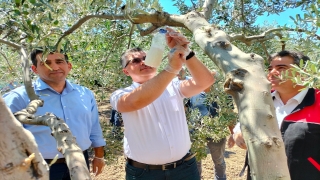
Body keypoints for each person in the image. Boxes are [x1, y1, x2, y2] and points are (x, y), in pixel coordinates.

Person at [110, 28, 215, 180]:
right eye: (136, 61)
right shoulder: (119, 95)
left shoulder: (174, 85)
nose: (143, 62)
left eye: (146, 57)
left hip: (185, 168)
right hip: (144, 174)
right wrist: (172, 69)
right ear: (126, 71)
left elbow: (206, 81)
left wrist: (186, 52)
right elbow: (135, 102)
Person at [3, 48, 106, 180]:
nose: (54, 67)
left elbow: (94, 128)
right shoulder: (18, 97)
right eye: (46, 63)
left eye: (59, 61)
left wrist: (99, 156)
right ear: (34, 69)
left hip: (81, 161)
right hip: (40, 166)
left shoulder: (85, 94)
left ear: (69, 66)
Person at [232, 50, 320, 180]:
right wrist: (238, 131)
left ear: (303, 73)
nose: (272, 73)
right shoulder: (260, 98)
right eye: (270, 68)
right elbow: (244, 120)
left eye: (281, 68)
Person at [180, 69, 234, 180]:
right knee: (195, 161)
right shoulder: (191, 93)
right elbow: (184, 112)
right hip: (195, 134)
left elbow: (229, 115)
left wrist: (233, 134)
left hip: (217, 135)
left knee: (219, 161)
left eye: (210, 78)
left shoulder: (223, 96)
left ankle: (220, 178)